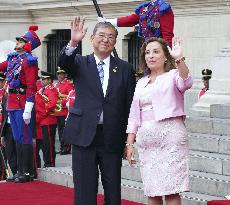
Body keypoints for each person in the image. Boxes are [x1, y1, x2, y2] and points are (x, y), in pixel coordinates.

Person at [58, 16, 136, 205]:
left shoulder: (125, 68)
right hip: (84, 135)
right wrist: (73, 42)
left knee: (113, 190)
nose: (105, 40)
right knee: (84, 190)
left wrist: (129, 141)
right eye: (101, 35)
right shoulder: (79, 62)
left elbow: (130, 106)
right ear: (92, 39)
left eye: (110, 37)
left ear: (115, 42)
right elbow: (63, 61)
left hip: (112, 137)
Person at [126, 37, 193, 205]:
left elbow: (187, 82)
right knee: (152, 191)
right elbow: (134, 116)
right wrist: (129, 144)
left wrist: (179, 59)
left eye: (156, 52)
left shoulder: (173, 75)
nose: (151, 55)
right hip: (147, 142)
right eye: (147, 52)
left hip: (171, 138)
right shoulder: (141, 82)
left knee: (171, 190)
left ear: (165, 57)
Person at [0, 26, 41, 183]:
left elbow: (31, 86)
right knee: (17, 137)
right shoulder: (13, 58)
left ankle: (27, 172)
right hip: (12, 102)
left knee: (25, 138)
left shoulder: (30, 61)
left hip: (23, 102)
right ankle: (19, 171)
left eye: (21, 40)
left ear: (28, 44)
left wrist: (28, 108)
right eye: (18, 40)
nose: (17, 42)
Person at [99, 0, 174, 46]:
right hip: (147, 47)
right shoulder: (145, 8)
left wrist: (167, 52)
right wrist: (108, 21)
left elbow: (167, 34)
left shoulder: (163, 8)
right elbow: (131, 20)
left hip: (159, 47)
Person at [35, 71, 58, 168]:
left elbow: (52, 104)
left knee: (48, 143)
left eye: (44, 79)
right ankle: (47, 161)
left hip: (48, 120)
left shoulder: (51, 89)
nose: (42, 81)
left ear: (49, 80)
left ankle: (50, 162)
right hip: (43, 120)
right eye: (41, 79)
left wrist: (42, 111)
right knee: (45, 144)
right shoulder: (42, 90)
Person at [54, 67, 73, 155]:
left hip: (64, 110)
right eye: (58, 74)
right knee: (60, 130)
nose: (59, 76)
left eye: (61, 74)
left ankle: (66, 147)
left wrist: (61, 100)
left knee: (65, 130)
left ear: (65, 75)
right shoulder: (57, 85)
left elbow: (70, 95)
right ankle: (62, 147)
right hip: (58, 111)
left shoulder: (68, 84)